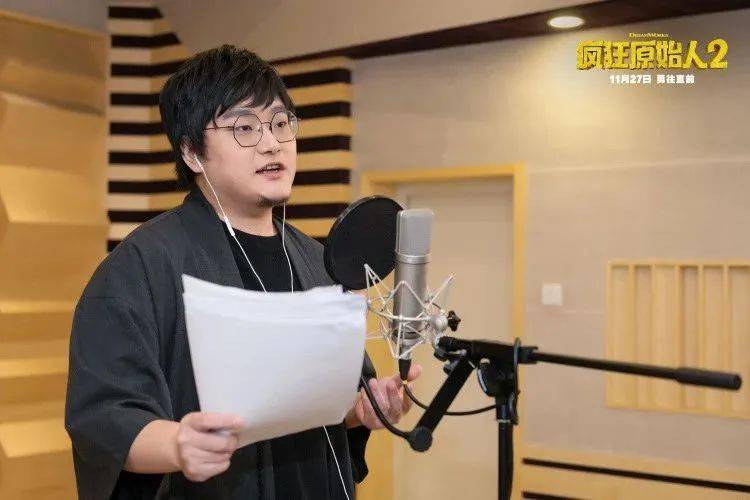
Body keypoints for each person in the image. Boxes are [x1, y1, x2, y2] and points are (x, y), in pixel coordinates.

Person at [65, 44, 421, 500]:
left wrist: (363, 407)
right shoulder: (139, 267)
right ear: (192, 152)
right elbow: (105, 421)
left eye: (280, 123)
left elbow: (329, 403)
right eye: (244, 127)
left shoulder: (317, 260)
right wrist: (177, 444)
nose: (272, 143)